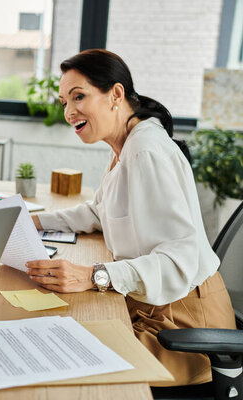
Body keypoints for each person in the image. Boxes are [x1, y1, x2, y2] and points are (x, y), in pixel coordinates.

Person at [27, 49, 235, 386]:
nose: (69, 111)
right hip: (152, 305)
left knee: (58, 359)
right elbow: (100, 211)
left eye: (79, 96)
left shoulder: (145, 151)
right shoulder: (125, 145)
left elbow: (179, 258)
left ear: (116, 94)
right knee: (55, 335)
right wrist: (35, 220)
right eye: (63, 101)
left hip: (183, 327)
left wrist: (95, 275)